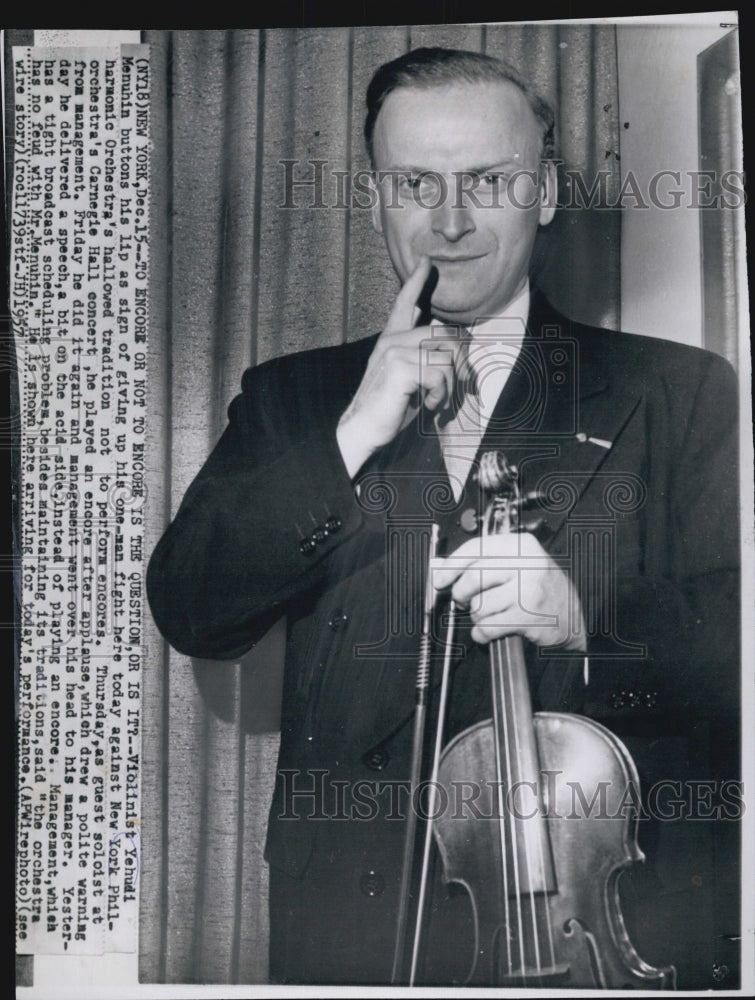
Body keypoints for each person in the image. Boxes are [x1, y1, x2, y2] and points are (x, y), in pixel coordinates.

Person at [147, 48, 740, 988]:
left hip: (580, 921)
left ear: (543, 193)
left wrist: (590, 617)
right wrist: (351, 434)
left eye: (489, 182)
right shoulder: (294, 399)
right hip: (347, 919)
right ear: (376, 197)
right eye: (415, 182)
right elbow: (194, 609)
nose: (452, 221)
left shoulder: (678, 391)